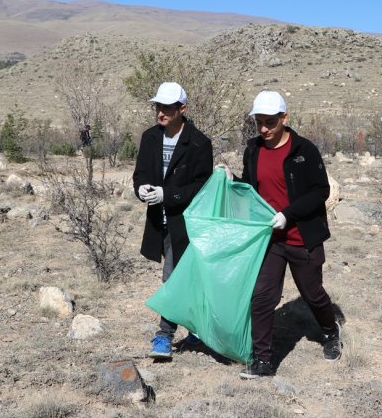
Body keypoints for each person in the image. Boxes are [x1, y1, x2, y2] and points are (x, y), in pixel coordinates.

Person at [229, 90, 341, 379]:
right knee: (262, 297)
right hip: (270, 239)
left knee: (313, 294)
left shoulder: (304, 150)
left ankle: (330, 333)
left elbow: (321, 191)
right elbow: (253, 188)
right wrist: (232, 181)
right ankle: (263, 361)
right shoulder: (253, 150)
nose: (264, 129)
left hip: (301, 238)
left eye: (270, 122)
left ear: (284, 117)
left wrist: (287, 215)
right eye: (259, 123)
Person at [132, 82, 213, 359]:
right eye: (158, 106)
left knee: (173, 277)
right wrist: (142, 189)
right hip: (159, 221)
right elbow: (140, 173)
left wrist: (168, 194)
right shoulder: (150, 138)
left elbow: (200, 188)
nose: (160, 113)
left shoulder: (200, 143)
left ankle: (164, 336)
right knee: (184, 277)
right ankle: (196, 330)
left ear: (182, 109)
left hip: (186, 223)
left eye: (167, 107)